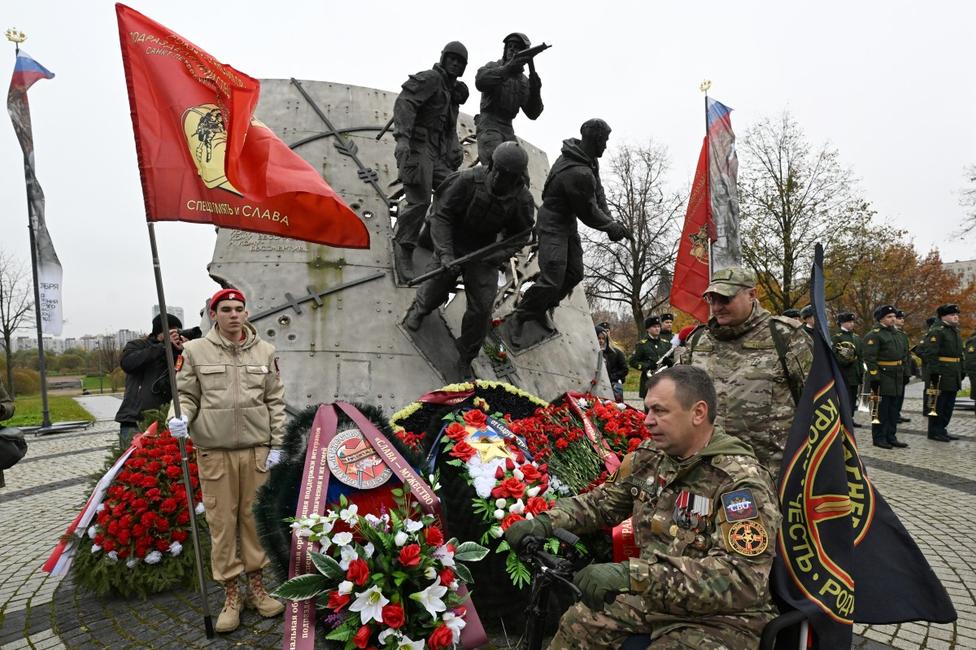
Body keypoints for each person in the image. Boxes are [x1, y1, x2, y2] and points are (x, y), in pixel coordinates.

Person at [504, 366, 780, 649]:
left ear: (698, 413)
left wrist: (631, 575)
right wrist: (547, 521)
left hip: (721, 618)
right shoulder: (650, 459)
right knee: (580, 623)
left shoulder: (739, 484)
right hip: (653, 598)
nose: (647, 421)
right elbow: (602, 504)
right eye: (647, 410)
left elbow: (741, 580)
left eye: (660, 411)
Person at [168, 289, 287, 633]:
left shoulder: (266, 351)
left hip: (255, 452)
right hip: (215, 453)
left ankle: (258, 590)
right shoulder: (194, 351)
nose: (234, 314)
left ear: (246, 313)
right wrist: (180, 418)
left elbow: (274, 401)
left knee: (253, 522)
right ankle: (231, 595)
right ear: (214, 313)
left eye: (239, 309)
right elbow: (187, 395)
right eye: (226, 309)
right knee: (222, 525)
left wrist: (277, 445)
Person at [402, 142, 535, 377]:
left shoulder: (521, 199)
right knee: (437, 284)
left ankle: (466, 354)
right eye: (500, 173)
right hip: (454, 239)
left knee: (482, 309)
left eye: (510, 177)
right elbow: (441, 214)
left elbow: (520, 236)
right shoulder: (467, 179)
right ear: (493, 166)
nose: (503, 180)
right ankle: (420, 307)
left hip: (484, 252)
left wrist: (495, 257)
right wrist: (445, 252)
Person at [680, 266, 812, 479]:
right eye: (712, 299)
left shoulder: (785, 336)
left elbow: (816, 401)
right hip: (706, 473)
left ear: (752, 294)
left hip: (770, 474)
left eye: (725, 299)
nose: (717, 307)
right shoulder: (698, 341)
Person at [510, 119, 630, 343]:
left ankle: (542, 307)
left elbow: (598, 194)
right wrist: (610, 227)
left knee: (575, 274)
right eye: (604, 141)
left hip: (567, 224)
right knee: (552, 278)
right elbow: (589, 212)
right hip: (552, 224)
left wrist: (611, 220)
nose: (605, 145)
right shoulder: (577, 172)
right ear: (594, 140)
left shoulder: (588, 160)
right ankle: (521, 315)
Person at [392, 41, 469, 281]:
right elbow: (405, 103)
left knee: (457, 189)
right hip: (418, 147)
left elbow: (448, 129)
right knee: (419, 199)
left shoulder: (450, 92)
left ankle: (429, 234)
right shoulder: (431, 79)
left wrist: (454, 148)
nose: (455, 64)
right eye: (452, 59)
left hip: (437, 153)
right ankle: (404, 247)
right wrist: (402, 139)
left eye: (460, 61)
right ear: (444, 58)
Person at [115, 313, 187, 448]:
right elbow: (128, 363)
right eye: (171, 330)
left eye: (177, 331)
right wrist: (162, 346)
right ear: (160, 331)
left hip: (166, 419)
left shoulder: (177, 351)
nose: (175, 334)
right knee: (132, 464)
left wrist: (185, 351)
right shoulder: (138, 345)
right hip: (135, 420)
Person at [473, 32, 543, 165]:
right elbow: (480, 82)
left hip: (508, 129)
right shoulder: (493, 67)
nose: (512, 49)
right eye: (509, 46)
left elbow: (533, 113)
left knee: (521, 176)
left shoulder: (523, 81)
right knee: (497, 165)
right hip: (489, 125)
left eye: (517, 47)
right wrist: (508, 69)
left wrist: (536, 91)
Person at [863, 305, 909, 449]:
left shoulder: (899, 335)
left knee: (894, 409)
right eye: (889, 317)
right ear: (881, 318)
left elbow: (905, 355)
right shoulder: (874, 335)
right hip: (883, 375)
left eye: (894, 316)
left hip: (897, 375)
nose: (893, 319)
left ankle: (891, 436)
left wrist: (906, 372)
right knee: (882, 409)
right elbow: (870, 358)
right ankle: (879, 438)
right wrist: (875, 376)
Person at [918, 303, 964, 442]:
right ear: (943, 316)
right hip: (941, 374)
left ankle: (942, 429)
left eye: (956, 314)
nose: (956, 317)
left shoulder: (954, 331)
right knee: (938, 404)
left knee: (948, 405)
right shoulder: (937, 331)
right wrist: (935, 374)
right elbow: (930, 355)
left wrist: (961, 371)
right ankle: (934, 431)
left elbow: (959, 354)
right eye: (952, 315)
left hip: (953, 373)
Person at [831, 312, 864, 427]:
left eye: (852, 321)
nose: (851, 324)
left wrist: (861, 372)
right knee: (843, 397)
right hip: (843, 373)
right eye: (848, 322)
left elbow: (860, 356)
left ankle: (850, 418)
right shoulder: (837, 337)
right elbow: (835, 355)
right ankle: (841, 419)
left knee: (852, 397)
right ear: (841, 323)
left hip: (854, 373)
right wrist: (847, 359)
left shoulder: (856, 337)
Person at [629, 316, 672, 399]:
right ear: (648, 329)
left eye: (658, 326)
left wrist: (670, 362)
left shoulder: (666, 344)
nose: (657, 329)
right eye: (654, 327)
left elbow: (673, 358)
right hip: (649, 380)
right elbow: (633, 362)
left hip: (664, 380)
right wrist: (647, 366)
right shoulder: (642, 344)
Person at [598, 326, 628, 402]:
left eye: (603, 339)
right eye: (598, 338)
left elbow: (624, 369)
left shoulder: (615, 352)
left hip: (612, 385)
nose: (601, 341)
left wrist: (612, 377)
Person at [893, 309, 913, 424]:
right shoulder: (894, 334)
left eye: (902, 318)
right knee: (895, 395)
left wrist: (907, 371)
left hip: (902, 369)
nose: (902, 320)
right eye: (899, 318)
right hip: (893, 369)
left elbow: (906, 354)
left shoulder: (902, 335)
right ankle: (894, 414)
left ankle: (897, 413)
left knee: (901, 394)